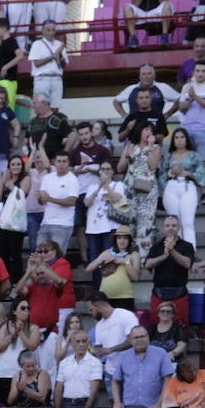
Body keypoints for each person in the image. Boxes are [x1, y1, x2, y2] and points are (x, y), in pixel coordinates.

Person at [117, 122, 162, 257]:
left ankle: (141, 259)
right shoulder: (130, 146)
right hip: (130, 190)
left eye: (151, 131)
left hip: (148, 192)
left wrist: (149, 147)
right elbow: (120, 169)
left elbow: (153, 166)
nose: (149, 133)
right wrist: (126, 155)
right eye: (146, 129)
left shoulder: (155, 148)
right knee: (128, 224)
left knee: (145, 225)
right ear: (139, 131)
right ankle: (125, 256)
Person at [81, 162, 125, 291]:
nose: (105, 171)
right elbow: (86, 203)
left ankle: (109, 289)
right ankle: (97, 290)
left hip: (110, 228)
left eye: (108, 169)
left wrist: (107, 186)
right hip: (93, 229)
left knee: (109, 260)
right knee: (95, 260)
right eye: (103, 169)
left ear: (112, 171)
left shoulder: (118, 185)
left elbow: (118, 199)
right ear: (99, 172)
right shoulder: (92, 186)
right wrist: (99, 187)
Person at [144, 215, 194, 324]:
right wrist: (163, 256)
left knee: (181, 326)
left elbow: (187, 264)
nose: (170, 228)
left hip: (179, 292)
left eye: (174, 225)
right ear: (163, 228)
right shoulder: (156, 246)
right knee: (156, 326)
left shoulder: (187, 246)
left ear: (179, 227)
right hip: (159, 293)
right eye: (167, 225)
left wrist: (172, 251)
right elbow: (147, 264)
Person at [160, 128, 202, 250]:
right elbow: (161, 177)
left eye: (182, 137)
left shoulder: (194, 155)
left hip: (188, 186)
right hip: (171, 187)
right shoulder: (168, 156)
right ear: (173, 140)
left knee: (187, 222)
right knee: (173, 223)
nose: (179, 140)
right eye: (176, 137)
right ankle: (175, 251)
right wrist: (170, 173)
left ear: (186, 139)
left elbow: (201, 175)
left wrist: (187, 173)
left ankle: (190, 252)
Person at [53, 330, 101, 408]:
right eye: (78, 341)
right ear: (72, 344)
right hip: (66, 406)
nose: (81, 344)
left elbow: (94, 390)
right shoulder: (64, 363)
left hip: (85, 405)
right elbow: (58, 388)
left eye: (84, 341)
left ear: (88, 342)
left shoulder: (95, 363)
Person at [36, 151, 79, 257]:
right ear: (54, 162)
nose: (61, 164)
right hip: (46, 222)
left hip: (63, 224)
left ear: (68, 162)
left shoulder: (72, 179)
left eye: (64, 161)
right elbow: (42, 202)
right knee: (40, 256)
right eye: (59, 161)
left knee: (56, 258)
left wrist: (49, 198)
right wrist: (39, 197)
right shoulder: (47, 178)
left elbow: (71, 201)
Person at [27, 20, 67, 109]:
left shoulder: (60, 44)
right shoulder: (37, 44)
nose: (51, 33)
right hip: (42, 78)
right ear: (43, 31)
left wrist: (60, 57)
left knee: (55, 107)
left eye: (53, 30)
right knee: (41, 107)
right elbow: (37, 63)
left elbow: (64, 66)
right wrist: (52, 57)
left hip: (57, 78)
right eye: (48, 30)